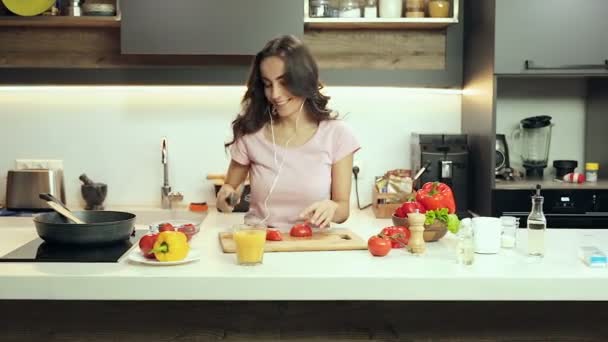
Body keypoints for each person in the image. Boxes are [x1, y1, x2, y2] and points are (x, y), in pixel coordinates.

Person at [216, 35, 360, 230]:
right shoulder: (251, 134)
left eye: (283, 82)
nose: (275, 94)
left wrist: (331, 207)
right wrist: (226, 197)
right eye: (268, 84)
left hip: (312, 246)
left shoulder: (337, 134)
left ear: (304, 79)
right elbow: (229, 188)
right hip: (260, 246)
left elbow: (342, 209)